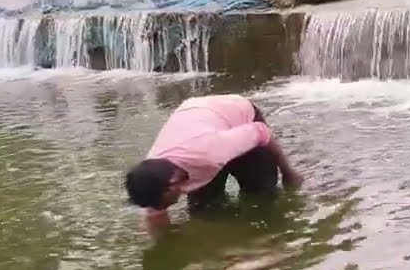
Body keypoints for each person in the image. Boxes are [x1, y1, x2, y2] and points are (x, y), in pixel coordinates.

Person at [125, 94, 303, 235]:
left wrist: (287, 172)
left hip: (239, 114)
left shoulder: (209, 152)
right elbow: (155, 216)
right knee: (205, 210)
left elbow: (261, 133)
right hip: (196, 116)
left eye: (161, 204)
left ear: (172, 185)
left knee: (261, 195)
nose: (158, 208)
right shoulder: (151, 175)